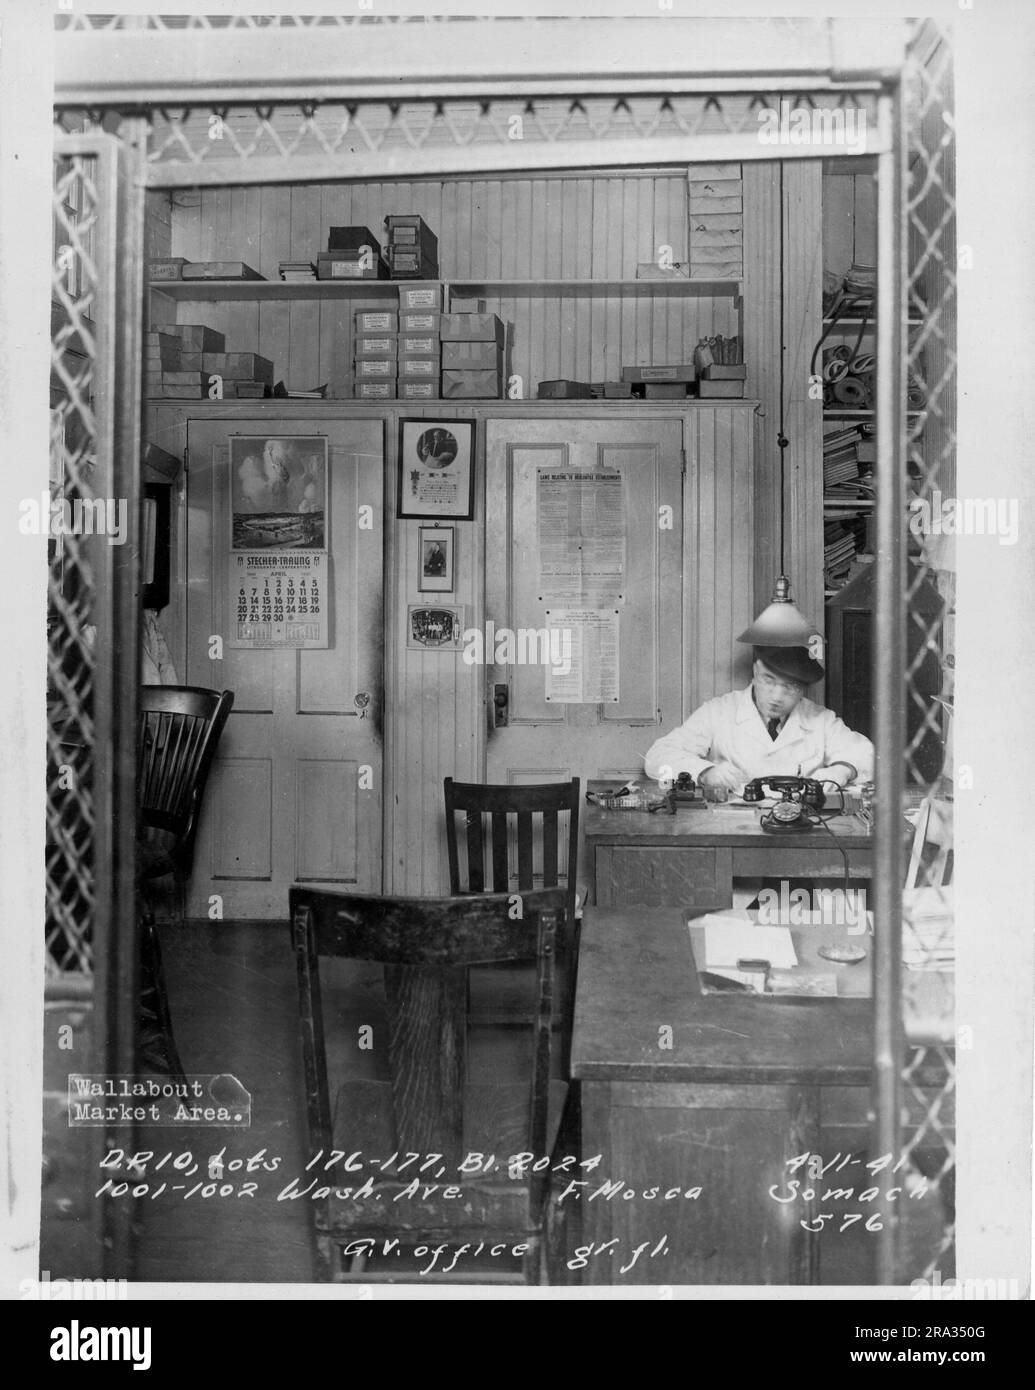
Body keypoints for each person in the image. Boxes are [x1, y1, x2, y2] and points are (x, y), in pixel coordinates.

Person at [644, 645, 873, 792]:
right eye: (769, 680)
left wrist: (841, 770)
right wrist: (705, 772)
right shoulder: (719, 711)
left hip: (803, 828)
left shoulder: (820, 719)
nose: (777, 697)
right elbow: (657, 758)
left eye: (790, 687)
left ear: (803, 688)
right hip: (732, 829)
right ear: (755, 671)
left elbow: (867, 755)